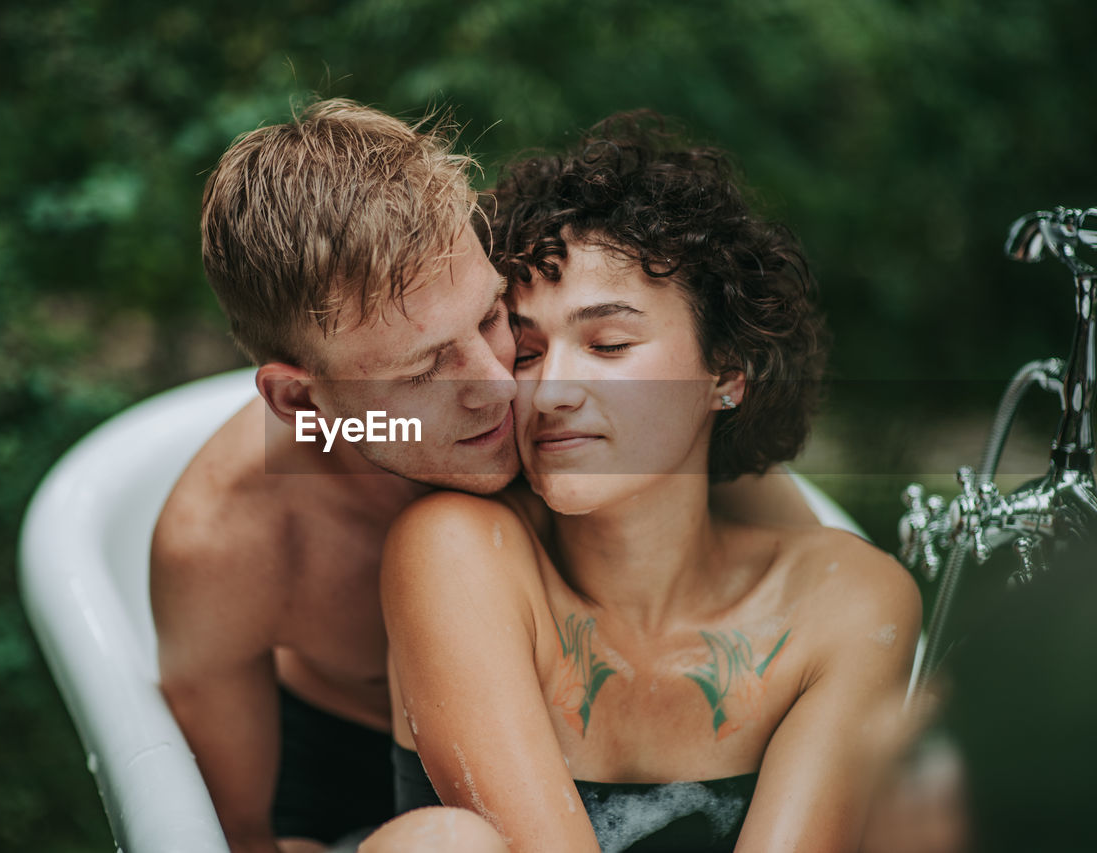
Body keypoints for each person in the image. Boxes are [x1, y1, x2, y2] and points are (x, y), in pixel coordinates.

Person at [151, 100, 825, 853]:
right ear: (302, 399)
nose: (501, 385)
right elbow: (233, 830)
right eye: (425, 370)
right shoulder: (227, 542)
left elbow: (815, 601)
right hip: (352, 794)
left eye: (492, 316)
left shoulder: (580, 412)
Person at [381, 113, 923, 852]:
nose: (550, 393)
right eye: (528, 351)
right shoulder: (459, 551)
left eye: (608, 343)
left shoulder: (846, 600)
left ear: (726, 373)